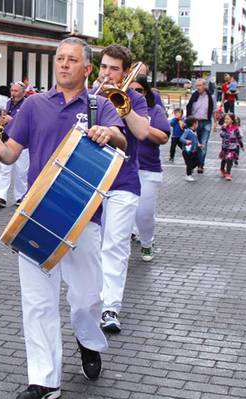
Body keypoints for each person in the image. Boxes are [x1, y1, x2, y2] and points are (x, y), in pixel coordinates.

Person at [0, 36, 126, 399]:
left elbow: (121, 138)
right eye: (60, 58)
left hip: (84, 219)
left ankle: (87, 339)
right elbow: (11, 152)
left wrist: (109, 133)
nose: (64, 64)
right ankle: (44, 380)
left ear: (87, 68)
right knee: (37, 303)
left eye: (72, 60)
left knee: (87, 299)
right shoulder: (34, 105)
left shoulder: (99, 106)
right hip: (37, 216)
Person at [97, 44, 150, 334]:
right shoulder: (88, 96)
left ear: (125, 72)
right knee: (92, 247)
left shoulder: (135, 99)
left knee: (115, 245)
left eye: (114, 68)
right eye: (104, 66)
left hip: (123, 181)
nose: (107, 73)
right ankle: (92, 299)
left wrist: (121, 104)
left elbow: (142, 132)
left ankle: (110, 307)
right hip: (91, 180)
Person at [131, 75, 169, 262]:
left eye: (139, 90)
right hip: (124, 169)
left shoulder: (155, 110)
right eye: (132, 90)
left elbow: (163, 137)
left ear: (146, 92)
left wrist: (142, 125)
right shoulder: (118, 108)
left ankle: (147, 243)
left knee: (144, 213)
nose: (135, 94)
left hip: (148, 170)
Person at [0, 80, 29, 208]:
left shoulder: (28, 105)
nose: (13, 93)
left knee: (21, 172)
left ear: (23, 92)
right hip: (6, 140)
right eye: (12, 90)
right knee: (4, 171)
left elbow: (29, 122)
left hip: (22, 143)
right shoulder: (5, 103)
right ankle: (0, 197)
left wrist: (12, 120)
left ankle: (20, 196)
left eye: (16, 91)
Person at [186, 78, 215, 174]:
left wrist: (215, 123)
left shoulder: (210, 96)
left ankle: (200, 165)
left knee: (203, 144)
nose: (197, 87)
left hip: (206, 122)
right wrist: (188, 122)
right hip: (195, 122)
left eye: (199, 85)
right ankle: (193, 163)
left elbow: (213, 110)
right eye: (196, 86)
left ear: (204, 86)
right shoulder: (194, 96)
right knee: (194, 144)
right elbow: (189, 107)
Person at [218, 113, 244, 181]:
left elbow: (239, 137)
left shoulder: (236, 128)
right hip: (225, 147)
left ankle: (228, 173)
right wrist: (224, 128)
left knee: (229, 160)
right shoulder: (224, 127)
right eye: (225, 119)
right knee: (224, 159)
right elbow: (221, 135)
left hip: (232, 148)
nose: (226, 120)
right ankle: (222, 169)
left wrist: (241, 145)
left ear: (232, 120)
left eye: (228, 119)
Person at [180, 117, 202, 181]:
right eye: (197, 123)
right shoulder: (187, 131)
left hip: (193, 151)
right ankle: (188, 175)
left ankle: (189, 170)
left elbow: (195, 139)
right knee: (189, 163)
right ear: (194, 124)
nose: (197, 125)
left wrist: (198, 144)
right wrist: (186, 141)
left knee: (198, 162)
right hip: (187, 151)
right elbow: (181, 138)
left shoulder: (194, 131)